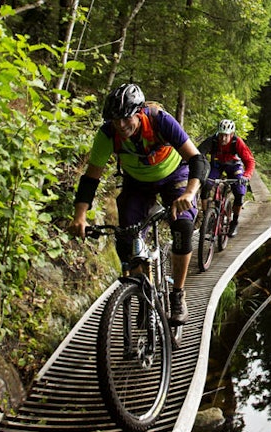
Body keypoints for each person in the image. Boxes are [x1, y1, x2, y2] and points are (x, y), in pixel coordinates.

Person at [70, 83, 205, 324]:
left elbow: (197, 159)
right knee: (127, 238)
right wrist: (80, 215)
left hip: (174, 177)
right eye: (115, 120)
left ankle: (177, 294)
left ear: (139, 112)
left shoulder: (160, 121)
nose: (121, 126)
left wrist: (190, 192)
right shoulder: (108, 135)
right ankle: (143, 292)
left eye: (125, 118)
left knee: (183, 227)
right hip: (137, 183)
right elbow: (91, 178)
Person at [197, 118, 256, 237]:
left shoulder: (237, 142)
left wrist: (246, 176)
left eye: (226, 136)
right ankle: (206, 218)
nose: (223, 139)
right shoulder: (212, 140)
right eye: (221, 135)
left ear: (232, 134)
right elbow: (198, 154)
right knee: (206, 185)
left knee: (239, 192)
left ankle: (234, 222)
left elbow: (250, 161)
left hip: (234, 166)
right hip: (217, 165)